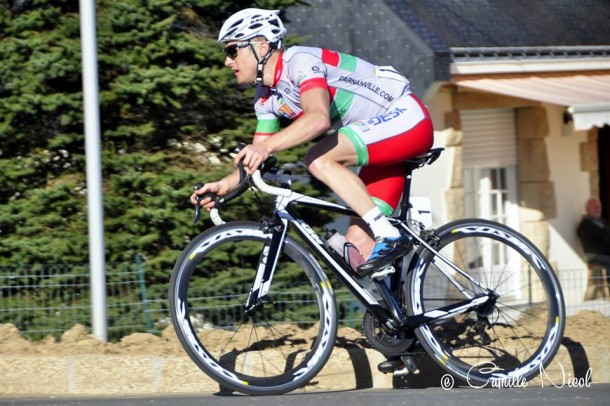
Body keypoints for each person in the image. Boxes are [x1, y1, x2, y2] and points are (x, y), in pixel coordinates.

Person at [191, 8, 434, 277]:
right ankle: (403, 315)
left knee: (318, 158)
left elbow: (318, 118)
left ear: (261, 46)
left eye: (233, 50)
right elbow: (256, 159)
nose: (227, 61)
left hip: (408, 120)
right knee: (358, 247)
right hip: (380, 148)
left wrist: (266, 146)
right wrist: (224, 186)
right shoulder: (265, 98)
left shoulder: (300, 62)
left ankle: (388, 234)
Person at [577, 197, 610, 268]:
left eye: (599, 206)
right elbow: (590, 246)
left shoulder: (603, 222)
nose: (598, 209)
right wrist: (607, 250)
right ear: (588, 209)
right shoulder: (584, 226)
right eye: (595, 207)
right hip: (593, 254)